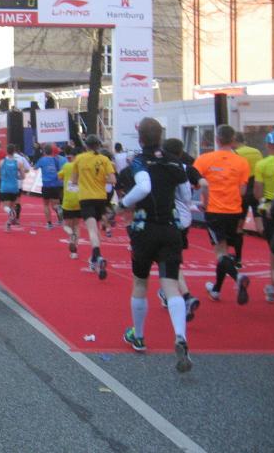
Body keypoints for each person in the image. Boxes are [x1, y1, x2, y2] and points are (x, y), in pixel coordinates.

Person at [116, 118, 192, 373]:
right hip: (170, 228)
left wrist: (121, 205)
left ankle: (138, 336)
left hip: (145, 228)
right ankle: (180, 335)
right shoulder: (175, 162)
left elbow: (143, 187)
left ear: (140, 140)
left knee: (140, 282)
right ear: (161, 137)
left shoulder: (139, 162)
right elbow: (186, 196)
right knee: (170, 285)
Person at [194, 124, 251, 304]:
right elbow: (243, 191)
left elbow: (197, 184)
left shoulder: (204, 159)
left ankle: (237, 277)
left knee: (221, 253)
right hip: (234, 210)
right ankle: (216, 289)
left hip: (214, 211)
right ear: (233, 140)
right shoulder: (242, 162)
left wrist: (205, 201)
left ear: (217, 139)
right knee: (224, 251)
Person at [159, 138, 202, 320]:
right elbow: (190, 193)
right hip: (184, 219)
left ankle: (185, 295)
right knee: (172, 258)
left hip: (168, 218)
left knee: (169, 261)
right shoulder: (186, 168)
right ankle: (167, 291)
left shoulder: (160, 168)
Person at [72, 134, 116, 279]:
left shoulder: (79, 158)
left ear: (86, 146)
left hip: (86, 198)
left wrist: (85, 179)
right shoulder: (104, 159)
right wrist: (101, 179)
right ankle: (94, 257)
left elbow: (74, 180)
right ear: (98, 146)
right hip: (100, 198)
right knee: (96, 228)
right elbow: (113, 179)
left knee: (92, 229)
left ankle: (97, 255)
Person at [254, 131, 274, 302]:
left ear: (268, 145)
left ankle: (272, 288)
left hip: (270, 207)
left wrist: (263, 203)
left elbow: (258, 191)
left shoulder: (262, 164)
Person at [234, 131, 264, 265]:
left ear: (234, 141)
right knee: (260, 225)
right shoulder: (256, 152)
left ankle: (238, 259)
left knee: (239, 227)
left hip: (243, 191)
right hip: (256, 189)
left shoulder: (236, 154)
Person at [58, 147, 82, 258]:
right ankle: (74, 252)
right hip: (79, 199)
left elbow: (59, 176)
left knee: (66, 225)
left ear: (71, 156)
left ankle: (70, 234)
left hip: (68, 200)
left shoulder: (66, 166)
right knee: (76, 225)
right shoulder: (82, 167)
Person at [35, 143, 66, 229]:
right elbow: (59, 170)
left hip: (46, 185)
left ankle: (49, 223)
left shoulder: (42, 159)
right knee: (55, 204)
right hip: (55, 184)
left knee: (46, 205)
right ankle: (60, 212)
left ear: (44, 151)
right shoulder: (56, 160)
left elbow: (35, 168)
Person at [0, 143, 26, 231]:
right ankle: (8, 224)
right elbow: (23, 176)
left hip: (5, 186)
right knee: (13, 206)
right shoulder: (18, 163)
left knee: (5, 207)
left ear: (6, 151)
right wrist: (17, 177)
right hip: (14, 187)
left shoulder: (2, 162)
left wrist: (4, 177)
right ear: (14, 152)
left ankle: (10, 217)